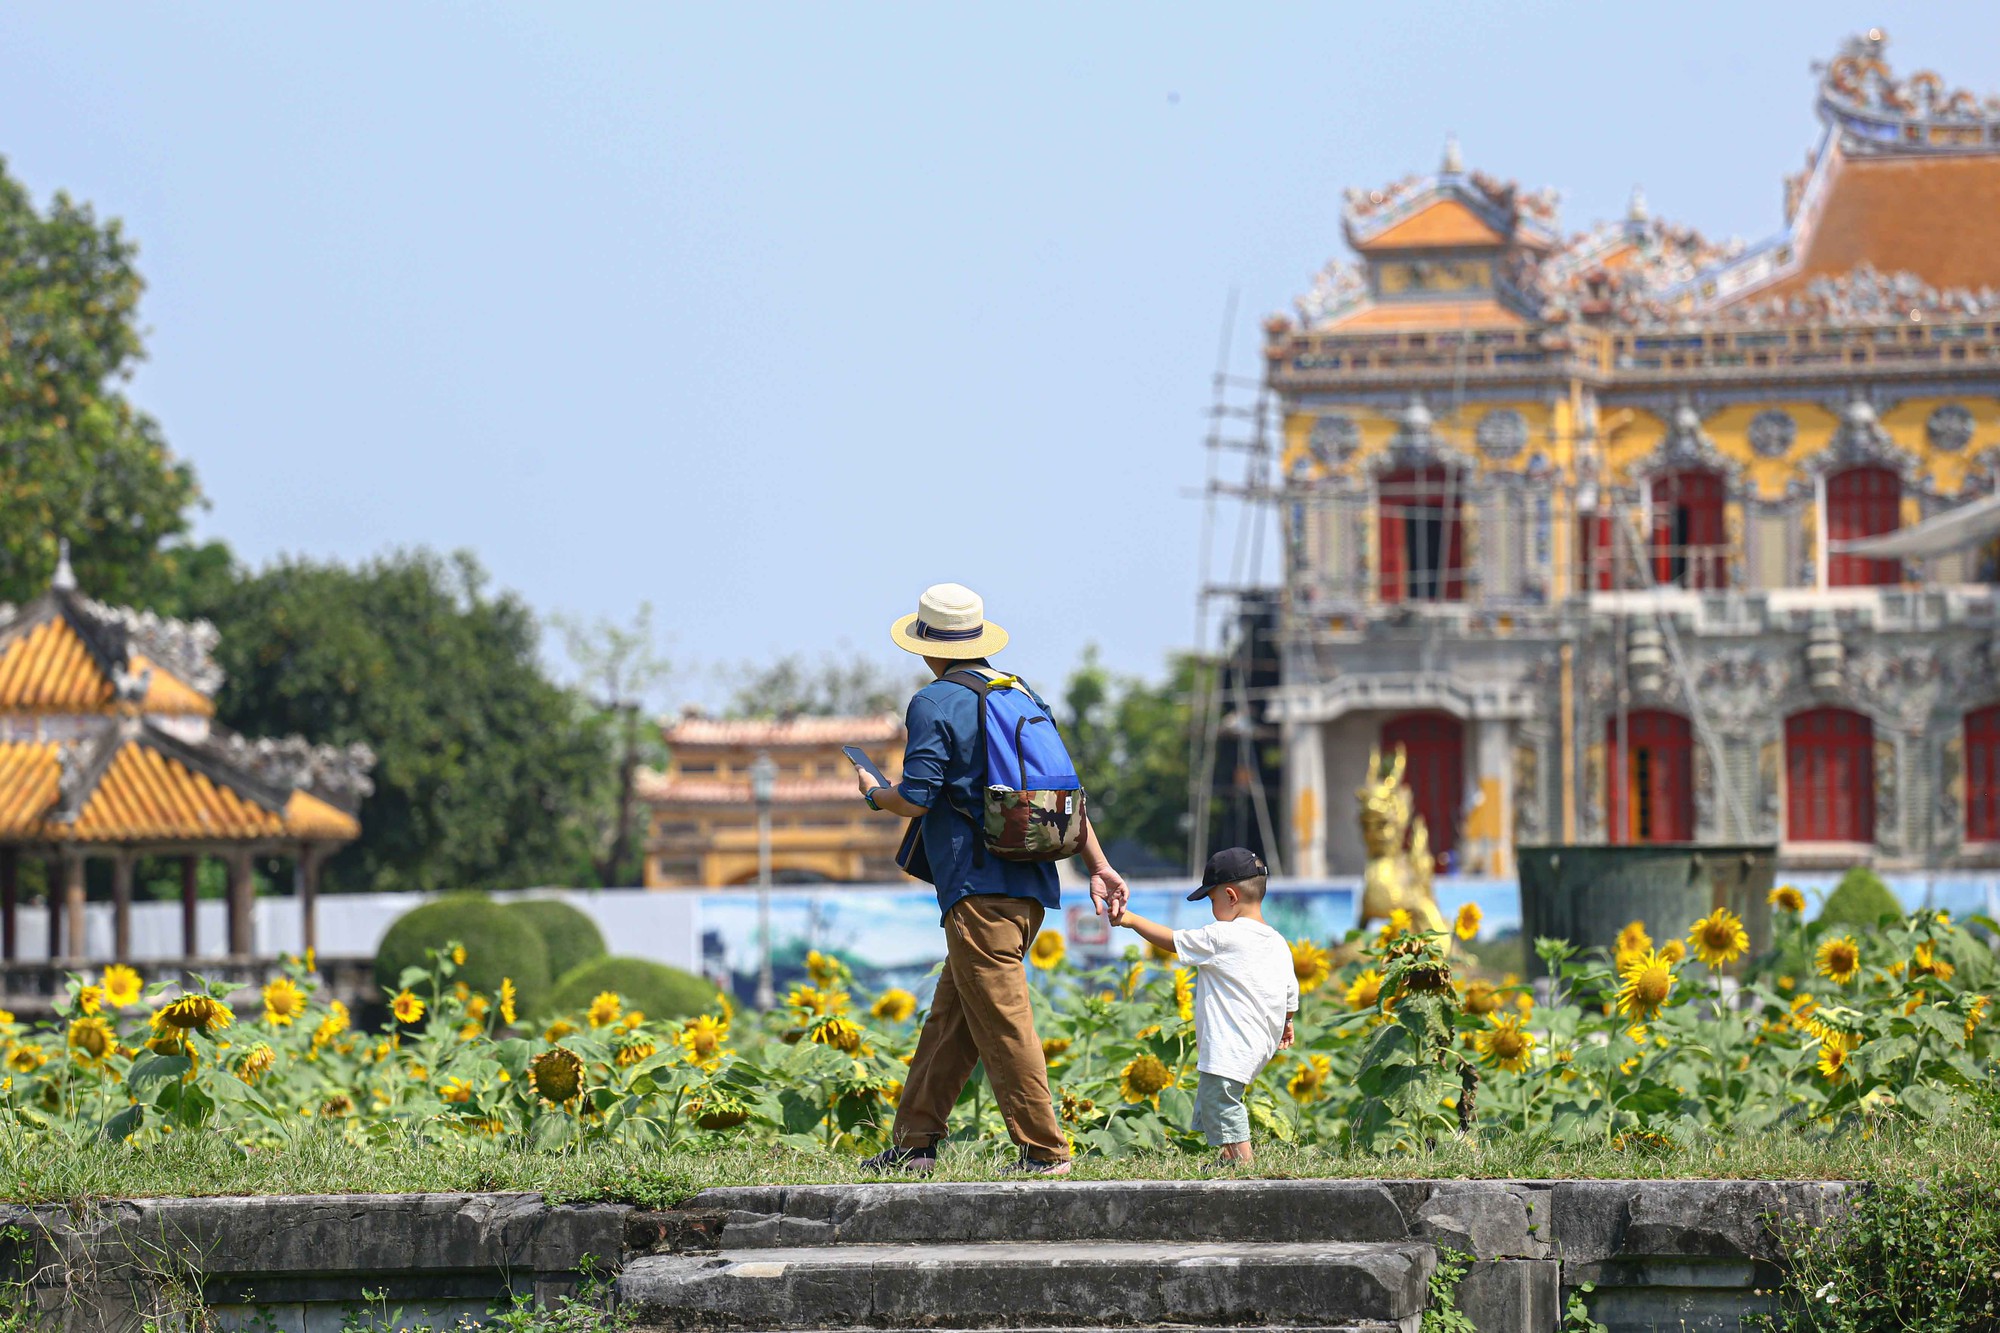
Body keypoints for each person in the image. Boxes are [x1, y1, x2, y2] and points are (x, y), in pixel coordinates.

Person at [855, 582, 1127, 1176]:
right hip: (1029, 884)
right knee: (952, 1018)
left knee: (1004, 1019)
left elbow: (918, 797)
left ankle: (1046, 1151)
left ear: (927, 647)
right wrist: (1100, 864)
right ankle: (913, 1145)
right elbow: (1066, 793)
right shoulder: (1020, 693)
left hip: (977, 890)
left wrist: (877, 795)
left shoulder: (935, 702)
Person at [1110, 847, 1296, 1167]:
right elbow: (1290, 991)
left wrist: (1130, 920)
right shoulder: (1277, 941)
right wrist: (1287, 1022)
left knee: (1221, 1100)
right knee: (1219, 1097)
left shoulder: (1223, 936)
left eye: (1211, 901)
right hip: (1261, 1041)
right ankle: (1226, 1157)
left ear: (1230, 896)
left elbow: (1172, 941)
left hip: (1232, 1044)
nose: (1212, 910)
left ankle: (1242, 1162)